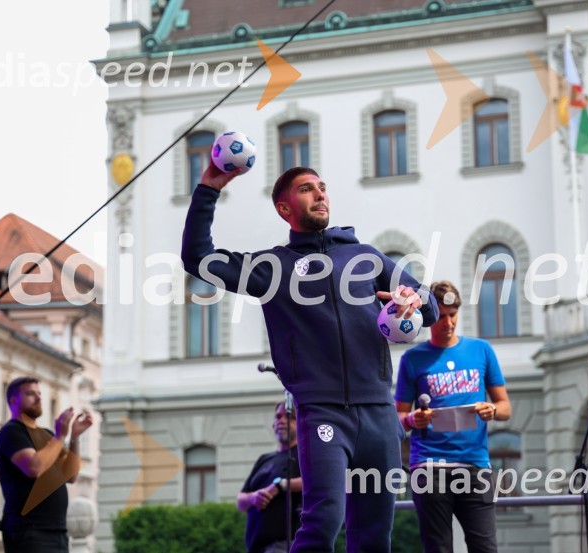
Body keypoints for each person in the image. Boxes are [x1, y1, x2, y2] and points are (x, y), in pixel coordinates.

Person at [181, 164, 438, 552]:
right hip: (322, 413)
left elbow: (430, 307)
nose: (320, 194)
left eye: (322, 187)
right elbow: (197, 257)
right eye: (306, 189)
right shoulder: (272, 268)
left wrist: (414, 299)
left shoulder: (366, 257)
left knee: (374, 534)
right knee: (324, 520)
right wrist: (208, 188)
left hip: (379, 415)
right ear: (284, 208)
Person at [394, 281, 512, 553]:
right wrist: (412, 420)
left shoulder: (481, 350)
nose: (448, 323)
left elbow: (505, 407)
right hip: (429, 467)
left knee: (485, 547)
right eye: (441, 317)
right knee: (439, 547)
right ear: (428, 318)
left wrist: (492, 410)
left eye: (453, 315)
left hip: (475, 465)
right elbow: (398, 417)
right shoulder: (413, 359)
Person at [0, 376, 93, 553]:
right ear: (13, 400)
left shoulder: (48, 435)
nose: (38, 398)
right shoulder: (11, 432)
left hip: (57, 531)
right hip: (29, 530)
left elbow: (71, 475)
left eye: (39, 393)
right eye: (30, 394)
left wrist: (74, 437)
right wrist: (60, 436)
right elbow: (34, 467)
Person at [237, 401, 303, 553]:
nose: (281, 420)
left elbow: (316, 481)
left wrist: (280, 485)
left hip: (285, 544)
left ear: (300, 422)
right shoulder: (264, 459)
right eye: (278, 416)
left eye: (289, 416)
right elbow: (240, 501)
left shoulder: (304, 454)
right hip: (256, 547)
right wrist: (253, 497)